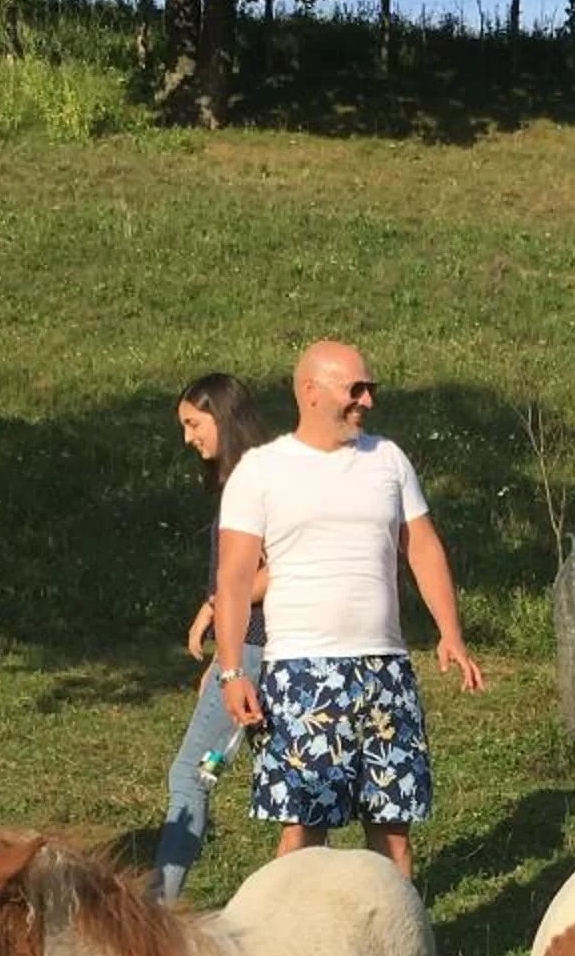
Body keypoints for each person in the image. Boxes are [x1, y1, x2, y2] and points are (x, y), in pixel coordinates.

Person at [213, 341, 483, 884]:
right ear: (311, 391)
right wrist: (231, 670)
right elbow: (235, 576)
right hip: (302, 674)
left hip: (385, 671)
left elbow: (423, 547)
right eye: (354, 389)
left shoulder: (387, 460)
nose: (366, 401)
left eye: (370, 389)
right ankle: (287, 955)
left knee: (393, 827)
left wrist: (450, 632)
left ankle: (396, 954)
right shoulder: (261, 470)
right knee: (303, 831)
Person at [151, 372, 270, 902]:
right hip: (244, 652)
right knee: (289, 787)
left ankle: (156, 909)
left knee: (192, 776)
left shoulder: (257, 481)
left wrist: (229, 633)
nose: (188, 438)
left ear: (221, 417)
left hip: (257, 653)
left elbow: (279, 569)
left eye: (193, 424)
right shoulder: (251, 479)